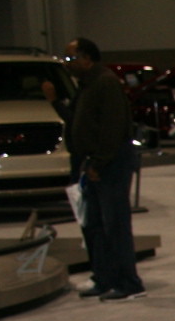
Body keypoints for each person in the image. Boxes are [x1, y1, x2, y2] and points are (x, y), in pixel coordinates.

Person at [41, 38, 143, 301]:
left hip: (110, 164)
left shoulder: (105, 83)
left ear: (87, 58)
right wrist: (55, 103)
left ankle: (129, 283)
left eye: (70, 59)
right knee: (94, 225)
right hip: (92, 163)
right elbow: (79, 123)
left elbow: (113, 127)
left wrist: (98, 162)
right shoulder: (86, 86)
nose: (68, 64)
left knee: (115, 225)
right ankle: (104, 277)